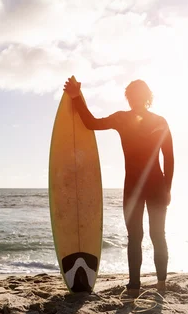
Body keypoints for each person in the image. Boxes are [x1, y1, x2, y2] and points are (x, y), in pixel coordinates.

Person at [63, 77, 174, 296]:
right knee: (158, 235)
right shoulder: (160, 121)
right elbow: (169, 159)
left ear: (130, 97)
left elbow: (91, 123)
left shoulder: (122, 119)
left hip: (133, 186)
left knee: (135, 236)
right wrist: (167, 187)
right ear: (148, 97)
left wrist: (76, 99)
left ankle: (134, 287)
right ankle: (161, 284)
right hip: (157, 185)